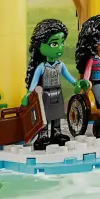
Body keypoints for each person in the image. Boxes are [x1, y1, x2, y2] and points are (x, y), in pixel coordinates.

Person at [22, 19, 88, 151]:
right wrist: (29, 94)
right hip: (45, 94)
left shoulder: (60, 65)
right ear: (40, 46)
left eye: (61, 43)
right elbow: (34, 83)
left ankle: (56, 133)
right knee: (44, 116)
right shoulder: (41, 67)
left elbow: (69, 78)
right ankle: (43, 134)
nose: (59, 47)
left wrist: (78, 83)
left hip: (58, 93)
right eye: (54, 44)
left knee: (57, 114)